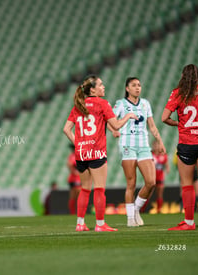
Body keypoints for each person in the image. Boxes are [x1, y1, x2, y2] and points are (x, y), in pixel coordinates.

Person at [63, 75, 137, 232]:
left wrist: (78, 143)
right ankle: (100, 224)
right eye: (101, 85)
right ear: (92, 89)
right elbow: (116, 125)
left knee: (84, 189)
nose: (103, 87)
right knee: (99, 189)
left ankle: (80, 223)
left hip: (81, 154)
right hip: (96, 152)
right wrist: (129, 116)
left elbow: (66, 129)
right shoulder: (102, 103)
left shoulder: (79, 105)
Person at [162, 64, 198, 231]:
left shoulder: (178, 93)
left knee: (186, 184)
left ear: (182, 76)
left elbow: (164, 117)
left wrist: (179, 124)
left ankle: (189, 222)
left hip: (187, 143)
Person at [111, 77, 166, 227]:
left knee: (151, 182)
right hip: (127, 144)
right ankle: (130, 219)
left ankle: (135, 209)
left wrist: (160, 141)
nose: (137, 88)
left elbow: (152, 126)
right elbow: (109, 120)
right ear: (127, 88)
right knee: (131, 183)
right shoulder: (121, 104)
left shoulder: (145, 103)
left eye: (139, 85)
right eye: (134, 85)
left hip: (143, 145)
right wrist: (113, 131)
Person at [152, 139, 170, 213]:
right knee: (148, 193)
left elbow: (167, 166)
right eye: (155, 145)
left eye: (157, 145)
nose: (156, 147)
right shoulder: (150, 154)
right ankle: (142, 209)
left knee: (159, 193)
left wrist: (166, 171)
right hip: (152, 177)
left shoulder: (163, 155)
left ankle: (159, 209)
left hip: (160, 177)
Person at [67, 144, 81, 214]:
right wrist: (75, 172)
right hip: (75, 178)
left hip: (76, 178)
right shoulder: (73, 156)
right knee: (77, 195)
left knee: (76, 196)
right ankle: (75, 212)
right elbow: (69, 165)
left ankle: (74, 212)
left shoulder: (75, 155)